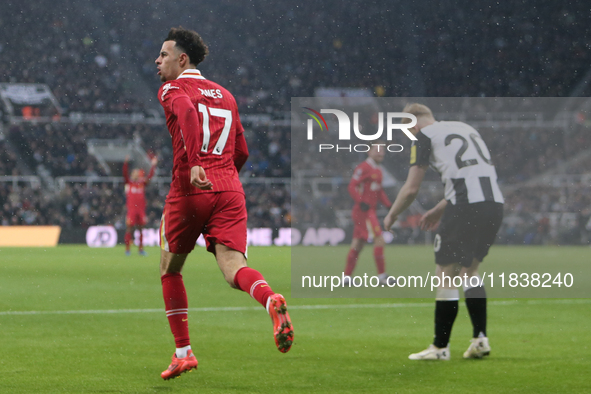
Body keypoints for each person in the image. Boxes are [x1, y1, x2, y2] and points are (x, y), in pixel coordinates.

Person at [154, 27, 293, 380]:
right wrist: (223, 177)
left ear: (182, 59)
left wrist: (197, 162)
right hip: (229, 189)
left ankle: (183, 351)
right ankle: (269, 299)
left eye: (164, 55)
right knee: (234, 270)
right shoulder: (226, 95)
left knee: (170, 268)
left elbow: (186, 114)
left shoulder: (173, 88)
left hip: (190, 187)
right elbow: (242, 151)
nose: (158, 61)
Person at [383, 103, 504, 360]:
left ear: (412, 124)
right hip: (493, 204)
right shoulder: (464, 128)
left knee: (446, 274)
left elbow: (411, 189)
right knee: (470, 271)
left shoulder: (423, 137)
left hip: (465, 207)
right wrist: (440, 208)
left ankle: (440, 348)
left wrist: (392, 214)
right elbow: (472, 175)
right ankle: (480, 338)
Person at [343, 144, 393, 286]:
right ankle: (382, 276)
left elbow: (379, 190)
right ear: (369, 151)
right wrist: (360, 201)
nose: (380, 153)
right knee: (379, 239)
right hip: (364, 212)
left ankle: (346, 277)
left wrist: (389, 205)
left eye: (382, 150)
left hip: (368, 211)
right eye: (377, 150)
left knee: (358, 244)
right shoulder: (364, 167)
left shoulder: (378, 169)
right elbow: (352, 185)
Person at [123, 155, 158, 256]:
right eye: (134, 173)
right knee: (129, 228)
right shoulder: (129, 183)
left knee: (141, 229)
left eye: (137, 173)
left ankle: (141, 249)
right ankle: (127, 249)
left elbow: (150, 177)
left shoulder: (142, 183)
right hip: (132, 210)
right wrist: (125, 164)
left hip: (141, 210)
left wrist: (153, 166)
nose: (136, 175)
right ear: (131, 174)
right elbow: (124, 174)